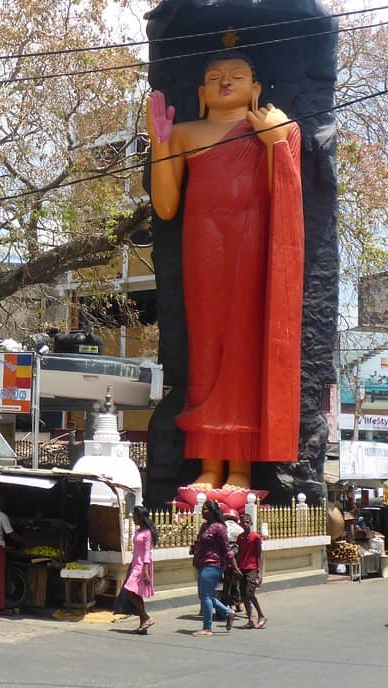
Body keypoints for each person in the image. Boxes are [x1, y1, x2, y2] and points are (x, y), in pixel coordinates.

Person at [147, 52, 303, 490]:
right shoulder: (183, 133)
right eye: (214, 77)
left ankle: (240, 469)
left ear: (256, 89)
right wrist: (159, 144)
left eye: (238, 76)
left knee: (244, 351)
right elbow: (165, 206)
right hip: (205, 245)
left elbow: (283, 195)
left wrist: (275, 140)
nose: (225, 82)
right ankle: (209, 465)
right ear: (200, 93)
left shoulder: (274, 128)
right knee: (207, 350)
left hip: (252, 245)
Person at [191, 499, 239, 636]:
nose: (202, 512)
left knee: (205, 595)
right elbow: (199, 543)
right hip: (202, 563)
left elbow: (227, 548)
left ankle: (207, 627)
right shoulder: (204, 526)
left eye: (205, 509)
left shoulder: (219, 527)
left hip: (214, 564)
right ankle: (228, 612)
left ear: (212, 511)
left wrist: (234, 566)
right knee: (204, 595)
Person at [121, 505, 157, 634]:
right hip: (136, 563)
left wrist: (146, 571)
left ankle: (145, 616)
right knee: (135, 592)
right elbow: (136, 551)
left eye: (136, 516)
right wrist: (131, 565)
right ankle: (143, 623)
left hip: (143, 566)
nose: (134, 518)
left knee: (128, 590)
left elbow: (147, 552)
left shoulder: (147, 533)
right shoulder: (138, 532)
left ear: (141, 517)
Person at [236, 512, 267, 628]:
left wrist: (260, 571)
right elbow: (239, 553)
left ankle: (261, 614)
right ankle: (250, 619)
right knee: (243, 595)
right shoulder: (240, 538)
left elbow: (260, 554)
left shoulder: (255, 537)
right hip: (242, 568)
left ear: (251, 523)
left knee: (250, 592)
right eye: (243, 522)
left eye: (247, 522)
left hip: (252, 568)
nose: (245, 525)